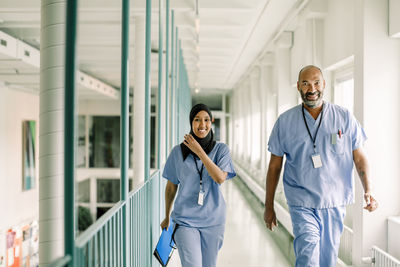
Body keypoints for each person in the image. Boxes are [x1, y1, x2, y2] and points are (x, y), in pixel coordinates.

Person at [263, 65, 378, 267]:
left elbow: (359, 158)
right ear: (298, 86)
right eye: (306, 83)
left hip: (334, 202)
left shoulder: (344, 117)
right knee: (308, 256)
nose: (312, 88)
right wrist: (269, 205)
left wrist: (368, 189)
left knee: (327, 261)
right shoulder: (285, 122)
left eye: (316, 82)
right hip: (301, 202)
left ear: (324, 84)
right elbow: (274, 166)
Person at [160, 103, 236, 267]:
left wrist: (199, 151)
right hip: (185, 220)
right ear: (191, 122)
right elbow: (171, 187)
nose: (202, 125)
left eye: (206, 120)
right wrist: (167, 216)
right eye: (197, 120)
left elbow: (220, 178)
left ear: (212, 121)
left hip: (213, 221)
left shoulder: (221, 150)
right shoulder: (178, 152)